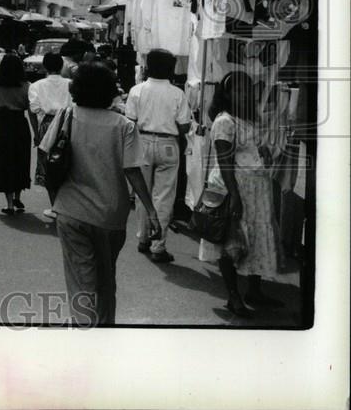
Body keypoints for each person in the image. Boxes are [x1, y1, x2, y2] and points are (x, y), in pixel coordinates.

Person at [41, 61, 161, 326]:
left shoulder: (66, 115)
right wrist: (150, 211)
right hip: (110, 216)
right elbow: (133, 172)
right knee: (106, 279)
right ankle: (106, 331)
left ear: (76, 89)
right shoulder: (124, 126)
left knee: (81, 282)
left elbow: (46, 155)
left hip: (71, 212)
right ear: (109, 90)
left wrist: (55, 199)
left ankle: (86, 337)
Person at [199, 71, 283, 318]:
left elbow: (254, 148)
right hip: (236, 186)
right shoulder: (224, 121)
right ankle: (233, 296)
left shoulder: (250, 119)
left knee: (256, 237)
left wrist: (264, 152)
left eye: (248, 88)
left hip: (257, 187)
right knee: (232, 240)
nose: (245, 93)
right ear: (226, 93)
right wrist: (234, 195)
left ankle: (254, 291)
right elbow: (223, 160)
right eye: (238, 89)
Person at [124, 48, 192, 263]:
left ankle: (143, 238)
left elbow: (130, 121)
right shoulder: (177, 93)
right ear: (171, 68)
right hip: (168, 144)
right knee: (163, 196)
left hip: (142, 141)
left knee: (143, 192)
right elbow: (184, 126)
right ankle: (158, 246)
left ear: (148, 67)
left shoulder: (137, 90)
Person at [0, 54, 34, 214]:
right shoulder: (27, 86)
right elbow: (32, 111)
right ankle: (18, 196)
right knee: (20, 161)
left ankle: (10, 204)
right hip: (20, 125)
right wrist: (37, 133)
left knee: (5, 163)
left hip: (2, 126)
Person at [28, 51, 71, 220]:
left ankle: (55, 206)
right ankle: (66, 206)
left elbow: (34, 108)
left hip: (47, 125)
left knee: (49, 165)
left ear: (45, 66)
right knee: (67, 163)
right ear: (61, 66)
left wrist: (37, 133)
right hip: (68, 124)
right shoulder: (70, 83)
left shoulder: (37, 85)